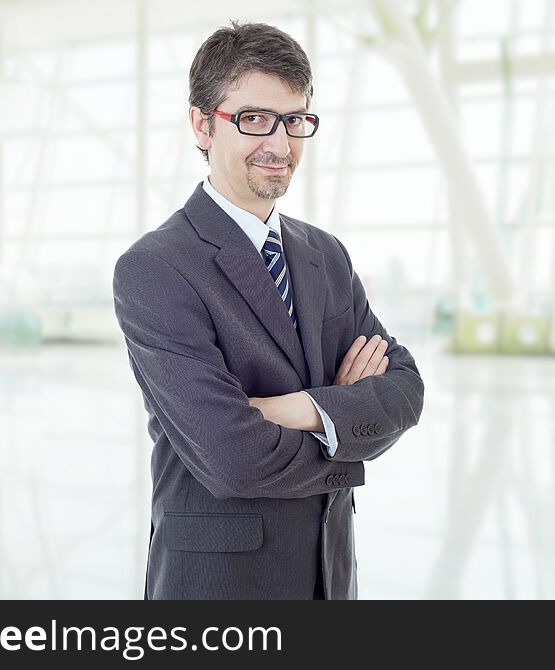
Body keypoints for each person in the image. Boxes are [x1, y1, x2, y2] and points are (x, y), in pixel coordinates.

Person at [112, 20, 424, 600]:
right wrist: (344, 421)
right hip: (220, 590)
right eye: (254, 119)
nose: (280, 145)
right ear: (202, 124)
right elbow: (231, 458)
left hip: (329, 579)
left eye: (295, 121)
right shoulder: (157, 268)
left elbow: (406, 390)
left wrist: (292, 409)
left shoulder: (324, 255)